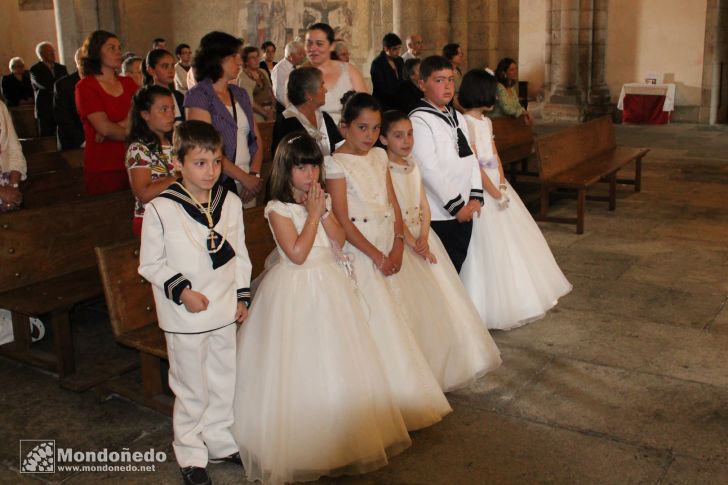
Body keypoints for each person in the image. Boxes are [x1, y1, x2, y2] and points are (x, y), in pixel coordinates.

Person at [232, 132, 411, 484]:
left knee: (336, 359)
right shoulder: (277, 208)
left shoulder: (320, 198)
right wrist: (313, 214)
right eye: (301, 167)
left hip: (329, 283)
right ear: (286, 170)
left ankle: (339, 436)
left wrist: (323, 209)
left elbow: (339, 239)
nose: (310, 174)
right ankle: (302, 441)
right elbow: (296, 254)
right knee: (301, 363)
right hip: (296, 289)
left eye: (313, 166)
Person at [325, 91, 451, 431]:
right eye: (362, 127)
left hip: (388, 242)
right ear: (344, 127)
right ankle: (378, 398)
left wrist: (397, 245)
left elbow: (394, 204)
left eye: (374, 128)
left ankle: (409, 391)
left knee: (402, 316)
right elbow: (343, 219)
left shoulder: (380, 156)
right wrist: (377, 256)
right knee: (373, 320)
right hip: (360, 250)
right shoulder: (334, 163)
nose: (368, 136)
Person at [138, 120, 250, 485]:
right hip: (184, 312)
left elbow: (241, 255)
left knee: (223, 378)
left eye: (216, 161)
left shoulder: (229, 202)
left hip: (221, 308)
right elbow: (150, 263)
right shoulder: (161, 208)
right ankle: (189, 451)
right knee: (190, 385)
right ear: (179, 164)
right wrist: (182, 290)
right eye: (200, 163)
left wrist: (241, 295)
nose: (211, 171)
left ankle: (219, 439)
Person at [379, 109, 502, 390]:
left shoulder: (413, 165)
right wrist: (410, 239)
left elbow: (422, 201)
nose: (407, 141)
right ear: (383, 139)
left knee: (439, 299)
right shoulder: (383, 168)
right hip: (400, 238)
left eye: (410, 134)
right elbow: (391, 208)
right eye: (398, 136)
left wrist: (423, 234)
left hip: (422, 236)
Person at [459, 69, 571, 330]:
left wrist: (501, 181)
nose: (496, 99)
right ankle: (483, 305)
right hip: (478, 187)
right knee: (484, 247)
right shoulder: (466, 122)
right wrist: (492, 190)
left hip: (495, 182)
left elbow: (493, 154)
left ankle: (516, 297)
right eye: (492, 93)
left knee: (511, 243)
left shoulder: (486, 122)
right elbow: (473, 162)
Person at [409, 56, 483, 273]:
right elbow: (428, 169)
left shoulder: (457, 116)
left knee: (458, 265)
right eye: (439, 80)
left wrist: (475, 196)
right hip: (440, 211)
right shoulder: (419, 120)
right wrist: (458, 206)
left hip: (464, 207)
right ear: (422, 84)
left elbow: (471, 156)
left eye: (451, 80)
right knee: (443, 271)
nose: (448, 86)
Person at [185, 31, 263, 203]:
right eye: (234, 56)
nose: (240, 61)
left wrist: (254, 174)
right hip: (219, 179)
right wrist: (244, 178)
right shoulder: (199, 96)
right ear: (217, 58)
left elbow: (256, 137)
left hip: (248, 177)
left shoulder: (240, 93)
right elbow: (205, 148)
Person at [75, 30, 138, 195]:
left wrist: (116, 126)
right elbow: (104, 129)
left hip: (136, 161)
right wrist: (137, 131)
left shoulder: (129, 83)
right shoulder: (86, 86)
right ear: (96, 52)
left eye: (119, 47)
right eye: (112, 48)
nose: (119, 52)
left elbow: (142, 116)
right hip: (104, 166)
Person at [125, 85, 178, 237]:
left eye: (172, 109)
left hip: (176, 217)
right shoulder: (139, 149)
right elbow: (143, 194)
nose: (171, 115)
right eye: (164, 109)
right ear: (145, 114)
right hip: (151, 221)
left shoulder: (176, 142)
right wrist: (178, 179)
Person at [271, 67, 342, 157]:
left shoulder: (325, 118)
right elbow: (289, 161)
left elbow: (340, 149)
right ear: (308, 94)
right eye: (321, 86)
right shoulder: (287, 123)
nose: (325, 90)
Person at [305, 22, 367, 125]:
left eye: (319, 44)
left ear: (332, 46)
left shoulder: (349, 71)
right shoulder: (296, 77)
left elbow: (366, 107)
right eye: (309, 43)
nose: (313, 48)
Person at [30, 42, 68, 136]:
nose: (53, 54)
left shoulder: (61, 68)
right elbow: (45, 85)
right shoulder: (35, 69)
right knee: (47, 137)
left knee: (64, 135)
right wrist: (60, 88)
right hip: (45, 109)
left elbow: (66, 84)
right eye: (49, 52)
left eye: (53, 51)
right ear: (41, 54)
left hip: (60, 107)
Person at [53, 48, 84, 150]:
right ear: (78, 62)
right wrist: (82, 141)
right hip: (74, 143)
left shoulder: (100, 81)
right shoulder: (64, 85)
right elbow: (63, 117)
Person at [144, 49, 185, 125]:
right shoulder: (145, 98)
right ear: (151, 70)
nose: (171, 71)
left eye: (172, 66)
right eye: (165, 66)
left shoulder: (179, 96)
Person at [236, 46, 276, 122]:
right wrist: (266, 113)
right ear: (246, 61)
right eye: (252, 58)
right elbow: (249, 102)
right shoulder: (243, 77)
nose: (256, 60)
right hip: (255, 113)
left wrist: (273, 109)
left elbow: (271, 92)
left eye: (257, 57)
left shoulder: (263, 72)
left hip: (270, 109)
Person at [490, 57, 533, 125]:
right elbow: (507, 109)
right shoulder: (499, 87)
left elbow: (517, 105)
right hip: (497, 121)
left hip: (508, 121)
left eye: (516, 69)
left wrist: (525, 113)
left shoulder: (511, 88)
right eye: (511, 70)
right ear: (503, 72)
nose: (515, 72)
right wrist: (523, 112)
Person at [0, 99, 26, 211]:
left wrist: (13, 185)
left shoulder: (1, 107)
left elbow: (14, 149)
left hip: (6, 181)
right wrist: (2, 192)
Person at [370, 33, 405, 111]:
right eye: (394, 49)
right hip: (383, 104)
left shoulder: (400, 60)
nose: (398, 51)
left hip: (399, 103)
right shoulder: (377, 64)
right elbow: (381, 88)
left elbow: (403, 79)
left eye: (399, 48)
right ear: (386, 48)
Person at [270, 40, 305, 111]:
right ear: (290, 56)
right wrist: (294, 109)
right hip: (286, 109)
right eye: (300, 54)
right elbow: (280, 94)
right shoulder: (280, 69)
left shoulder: (296, 67)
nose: (302, 57)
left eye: (303, 54)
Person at [442, 43, 464, 109]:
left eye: (461, 53)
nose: (461, 55)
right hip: (452, 106)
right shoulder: (445, 72)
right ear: (450, 55)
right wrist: (464, 110)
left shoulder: (458, 70)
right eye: (458, 53)